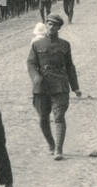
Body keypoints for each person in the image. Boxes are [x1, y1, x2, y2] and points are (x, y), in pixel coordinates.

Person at [26, 13, 82, 159]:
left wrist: (75, 86)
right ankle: (51, 144)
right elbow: (31, 63)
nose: (51, 27)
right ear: (46, 25)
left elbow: (70, 66)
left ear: (59, 28)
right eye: (49, 24)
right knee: (43, 118)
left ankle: (58, 149)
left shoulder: (64, 45)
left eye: (55, 25)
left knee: (59, 117)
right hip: (41, 87)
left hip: (59, 85)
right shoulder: (37, 44)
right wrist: (36, 77)